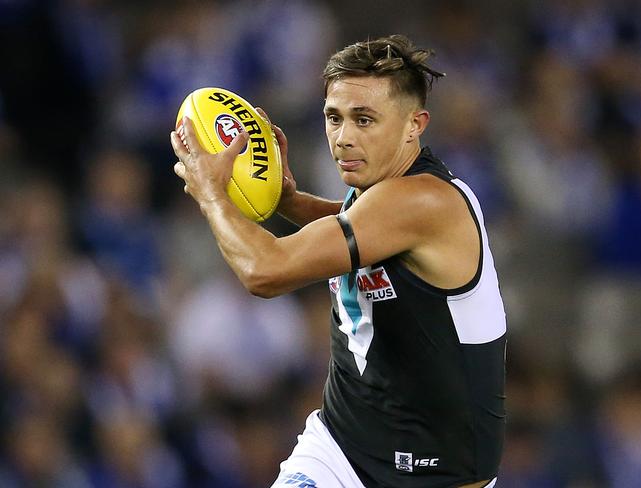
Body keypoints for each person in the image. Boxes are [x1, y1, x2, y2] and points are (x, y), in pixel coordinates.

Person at [171, 34, 506, 488]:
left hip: (437, 475)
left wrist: (212, 194)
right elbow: (356, 226)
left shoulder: (425, 201)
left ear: (415, 123)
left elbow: (264, 271)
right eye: (334, 117)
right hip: (341, 450)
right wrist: (289, 202)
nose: (344, 138)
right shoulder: (379, 191)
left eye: (364, 119)